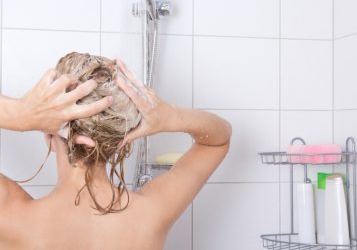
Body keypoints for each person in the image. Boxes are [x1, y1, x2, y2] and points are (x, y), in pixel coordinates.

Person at [0, 52, 232, 250]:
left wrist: (19, 114)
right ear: (121, 141)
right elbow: (218, 140)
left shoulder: (13, 217)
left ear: (48, 137)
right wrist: (171, 116)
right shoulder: (153, 213)